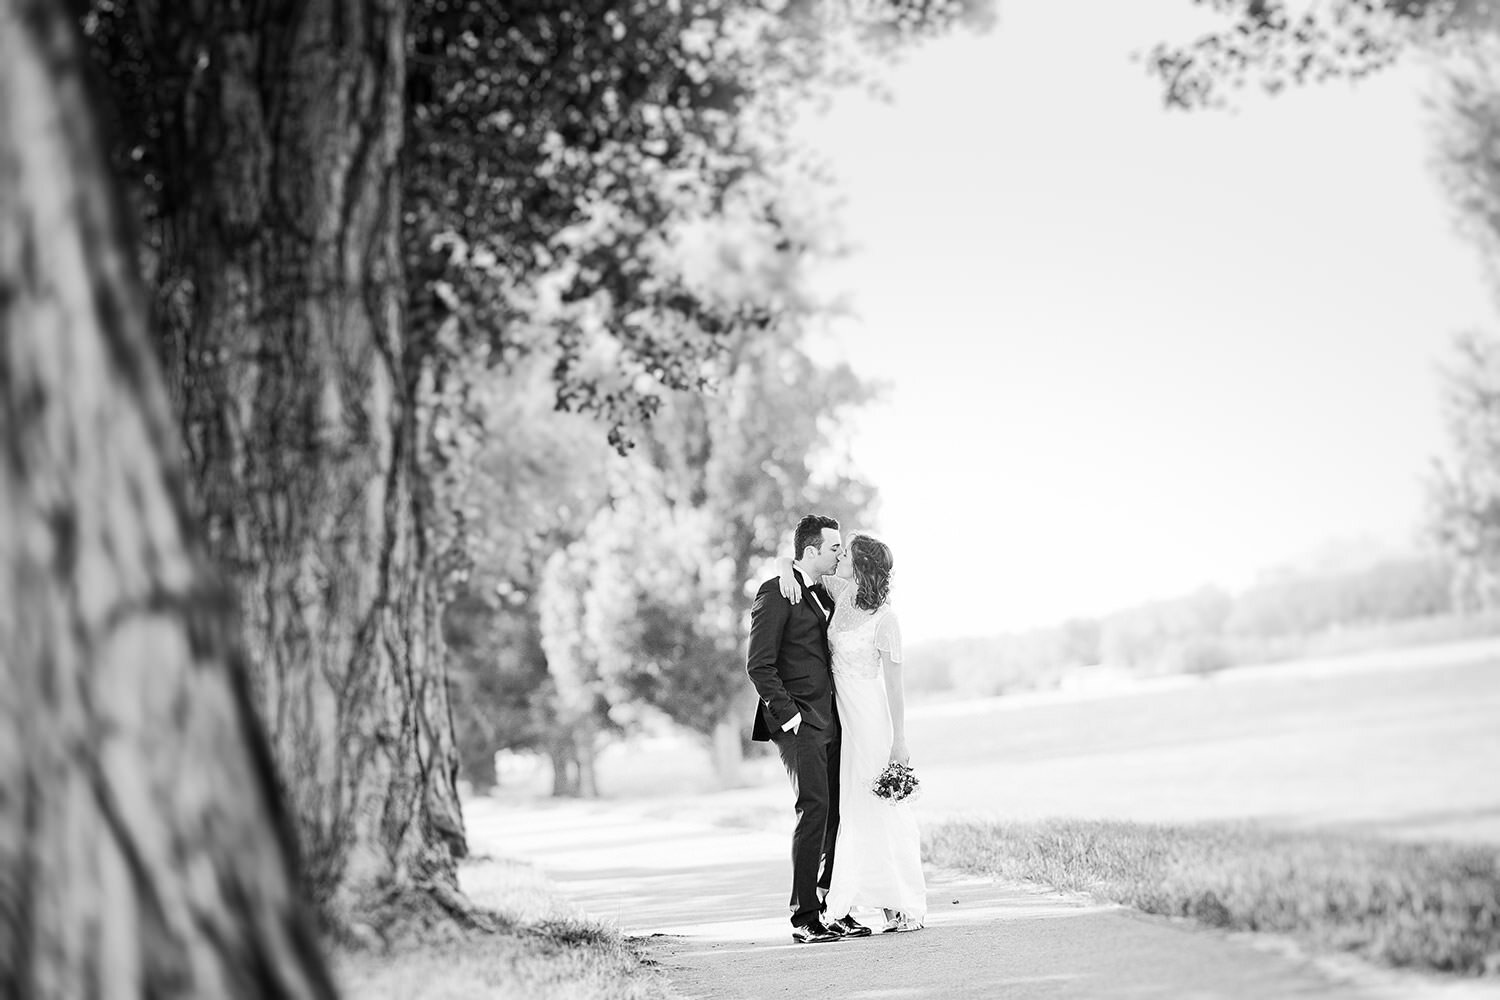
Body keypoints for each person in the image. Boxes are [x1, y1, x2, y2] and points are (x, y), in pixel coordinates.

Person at [779, 531, 926, 933]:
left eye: (846, 554)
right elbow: (800, 567)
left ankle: (900, 905)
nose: (838, 557)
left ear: (860, 565)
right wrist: (781, 570)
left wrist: (899, 741)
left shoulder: (886, 619)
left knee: (881, 808)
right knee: (853, 812)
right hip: (839, 718)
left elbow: (894, 688)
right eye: (837, 552)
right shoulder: (840, 595)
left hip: (870, 720)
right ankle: (853, 901)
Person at [745, 514, 873, 944]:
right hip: (799, 724)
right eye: (834, 547)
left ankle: (831, 904)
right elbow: (759, 665)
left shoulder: (820, 590)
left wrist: (787, 563)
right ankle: (804, 917)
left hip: (834, 719)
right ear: (813, 550)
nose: (841, 552)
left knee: (838, 811)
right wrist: (791, 716)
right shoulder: (775, 592)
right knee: (814, 810)